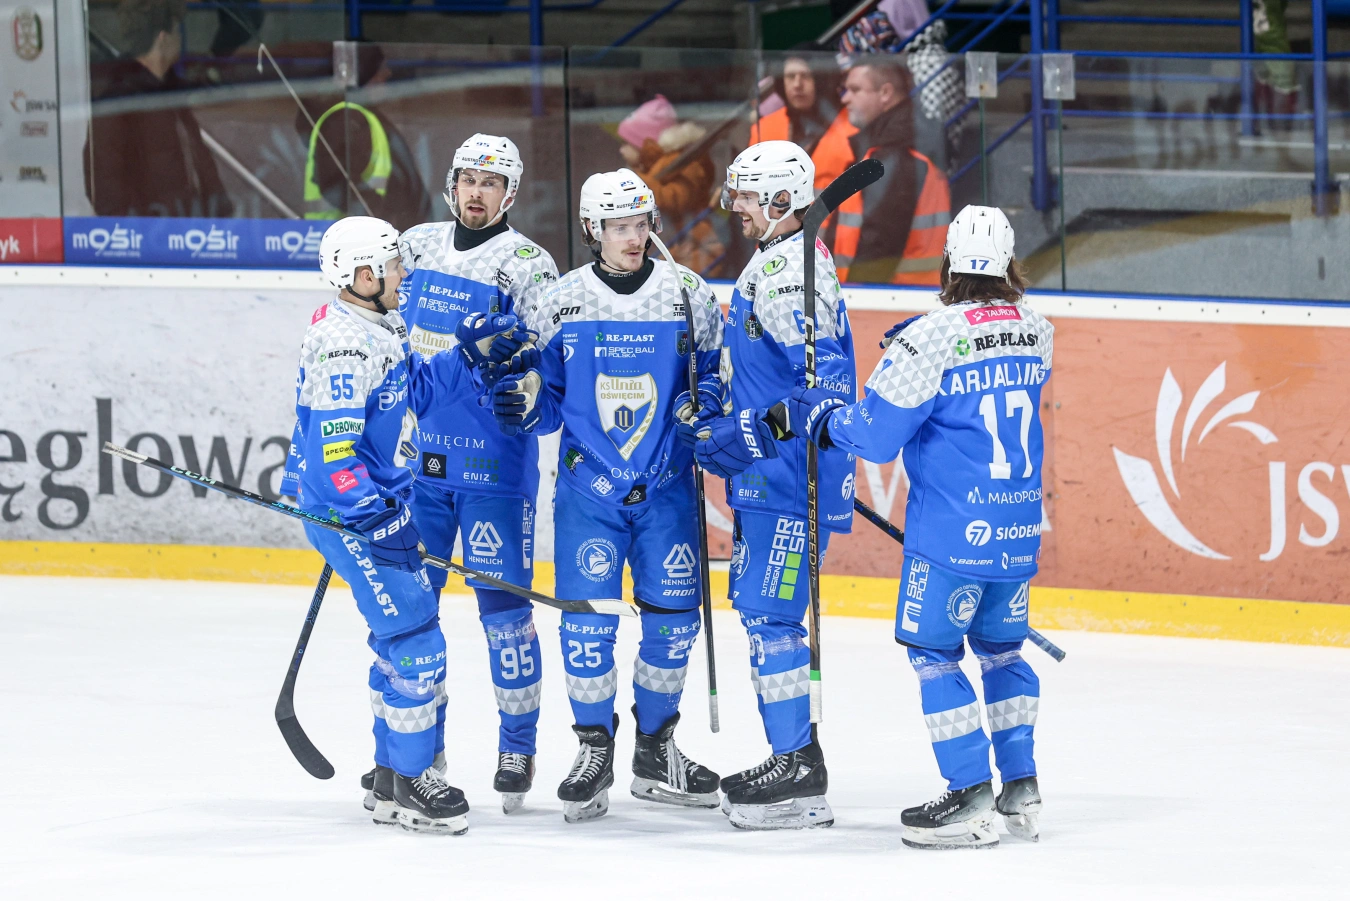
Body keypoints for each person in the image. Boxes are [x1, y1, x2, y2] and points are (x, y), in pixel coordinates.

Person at [768, 205, 1051, 849]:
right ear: (1010, 263)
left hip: (950, 536)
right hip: (1016, 531)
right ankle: (1020, 785)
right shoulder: (1039, 328)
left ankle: (969, 795)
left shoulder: (928, 338)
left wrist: (821, 419)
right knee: (1003, 653)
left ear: (948, 262)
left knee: (935, 656)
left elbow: (875, 437)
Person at [489, 169, 725, 824]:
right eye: (619, 227)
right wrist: (523, 402)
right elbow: (547, 403)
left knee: (674, 625)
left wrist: (707, 409)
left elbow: (712, 377)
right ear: (592, 229)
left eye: (641, 224)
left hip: (668, 491)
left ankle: (656, 750)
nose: (634, 237)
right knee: (587, 626)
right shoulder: (561, 301)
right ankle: (594, 748)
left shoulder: (688, 294)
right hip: (587, 494)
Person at [291, 216, 527, 835]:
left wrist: (469, 358)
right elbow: (333, 456)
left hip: (375, 506)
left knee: (403, 635)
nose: (406, 275)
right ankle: (413, 781)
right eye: (396, 266)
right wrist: (373, 518)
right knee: (417, 641)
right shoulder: (344, 346)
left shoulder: (381, 325)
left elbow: (414, 390)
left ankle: (392, 771)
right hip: (352, 513)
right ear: (364, 275)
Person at [687, 140, 857, 831]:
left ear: (782, 200)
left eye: (747, 196)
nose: (736, 207)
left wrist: (751, 433)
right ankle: (794, 757)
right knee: (765, 615)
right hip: (771, 477)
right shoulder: (781, 261)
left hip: (789, 482)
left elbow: (826, 389)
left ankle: (798, 772)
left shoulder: (791, 274)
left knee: (773, 619)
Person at [395, 134, 559, 815]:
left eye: (492, 182)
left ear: (510, 194)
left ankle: (517, 745)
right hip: (420, 467)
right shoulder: (413, 247)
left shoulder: (528, 264)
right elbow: (385, 337)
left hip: (494, 467)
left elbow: (550, 359)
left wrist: (527, 379)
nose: (477, 191)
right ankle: (419, 751)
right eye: (468, 178)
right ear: (451, 183)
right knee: (412, 615)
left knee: (506, 617)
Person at [83, 0, 234, 217]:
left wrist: (220, 210)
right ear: (163, 37)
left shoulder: (171, 95)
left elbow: (199, 162)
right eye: (177, 30)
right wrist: (143, 231)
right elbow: (105, 190)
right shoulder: (118, 103)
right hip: (155, 233)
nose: (181, 38)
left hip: (192, 228)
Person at [834, 58, 950, 286]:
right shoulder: (903, 145)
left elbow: (878, 248)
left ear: (885, 93)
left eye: (855, 90)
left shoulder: (895, 155)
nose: (845, 98)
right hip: (907, 294)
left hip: (889, 296)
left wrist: (854, 295)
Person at [298, 43, 431, 230]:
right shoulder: (346, 122)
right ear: (366, 75)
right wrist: (382, 216)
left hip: (366, 235)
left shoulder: (362, 118)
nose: (387, 74)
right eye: (380, 69)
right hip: (349, 237)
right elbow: (336, 184)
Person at [617, 95, 725, 274]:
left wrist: (639, 183)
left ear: (644, 144)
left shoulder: (686, 164)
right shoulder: (650, 168)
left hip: (691, 246)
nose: (621, 150)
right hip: (668, 246)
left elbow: (677, 199)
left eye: (626, 143)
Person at [750, 54, 857, 196]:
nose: (797, 85)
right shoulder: (764, 128)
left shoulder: (855, 127)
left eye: (806, 76)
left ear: (823, 81)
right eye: (790, 77)